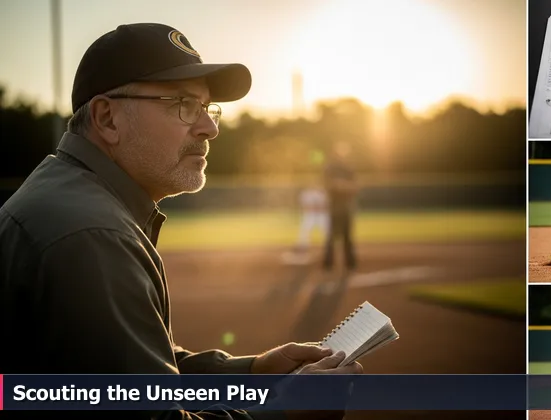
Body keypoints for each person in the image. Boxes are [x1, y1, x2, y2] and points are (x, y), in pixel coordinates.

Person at [0, 23, 361, 419]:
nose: (210, 128)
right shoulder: (94, 235)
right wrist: (288, 411)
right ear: (107, 118)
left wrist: (252, 372)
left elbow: (127, 368)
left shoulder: (73, 198)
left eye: (207, 108)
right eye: (183, 104)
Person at [322, 141, 359, 272]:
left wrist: (341, 185)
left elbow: (354, 187)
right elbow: (329, 186)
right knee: (331, 236)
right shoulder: (330, 168)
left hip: (347, 206)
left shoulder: (349, 168)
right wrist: (341, 186)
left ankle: (350, 263)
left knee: (348, 236)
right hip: (334, 206)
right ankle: (328, 263)